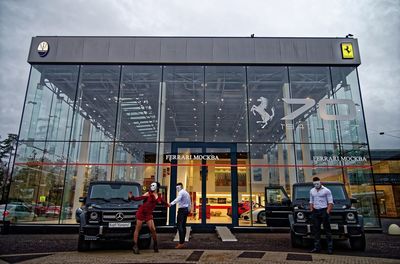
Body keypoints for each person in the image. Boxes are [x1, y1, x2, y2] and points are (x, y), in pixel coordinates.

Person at [128, 182, 168, 254]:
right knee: (138, 228)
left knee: (153, 229)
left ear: (156, 187)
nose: (151, 186)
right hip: (141, 212)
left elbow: (161, 201)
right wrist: (132, 197)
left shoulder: (158, 195)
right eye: (151, 185)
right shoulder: (148, 193)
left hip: (148, 214)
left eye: (153, 185)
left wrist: (168, 204)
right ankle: (135, 246)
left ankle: (155, 245)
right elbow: (139, 198)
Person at [309, 176, 334, 254]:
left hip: (324, 211)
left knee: (327, 230)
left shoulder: (327, 191)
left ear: (320, 183)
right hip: (315, 211)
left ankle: (330, 249)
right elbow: (311, 201)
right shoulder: (312, 191)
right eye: (315, 184)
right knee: (316, 231)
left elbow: (331, 202)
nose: (316, 185)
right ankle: (317, 248)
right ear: (313, 184)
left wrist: (327, 212)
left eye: (317, 183)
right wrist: (311, 210)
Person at [169, 182, 191, 249]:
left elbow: (178, 199)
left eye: (178, 188)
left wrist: (171, 204)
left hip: (181, 210)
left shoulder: (181, 192)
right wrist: (189, 210)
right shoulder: (186, 193)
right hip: (186, 210)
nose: (177, 189)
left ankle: (181, 243)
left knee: (180, 226)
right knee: (183, 226)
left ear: (180, 187)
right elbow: (190, 202)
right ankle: (182, 242)